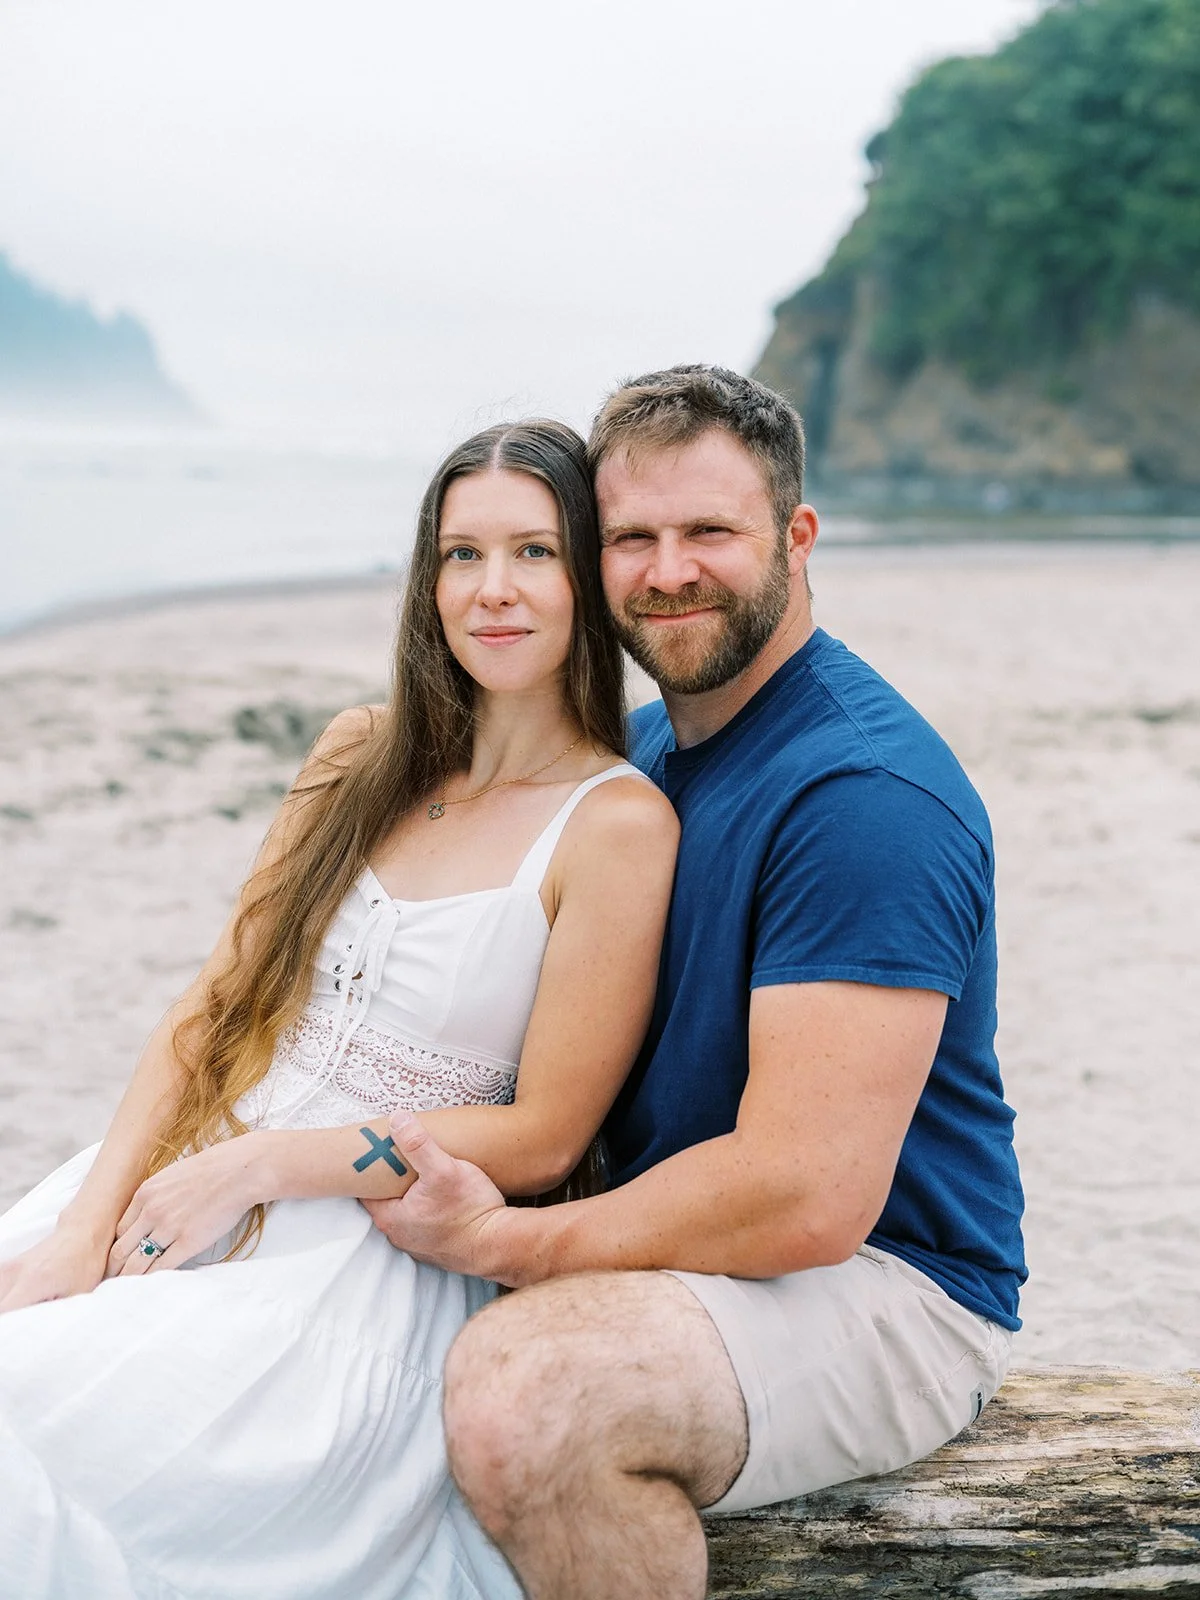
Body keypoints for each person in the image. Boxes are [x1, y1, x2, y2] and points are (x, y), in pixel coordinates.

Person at [366, 365, 1028, 1600]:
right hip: (693, 1239)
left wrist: (519, 1243)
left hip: (887, 1282)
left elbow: (806, 1193)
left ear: (796, 535)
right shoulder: (650, 749)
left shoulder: (862, 796)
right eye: (632, 537)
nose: (669, 569)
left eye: (711, 531)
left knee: (533, 1398)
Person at [0, 420, 678, 1599]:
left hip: (359, 1254)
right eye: (462, 556)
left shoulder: (617, 825)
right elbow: (214, 1005)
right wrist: (81, 1226)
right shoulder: (359, 752)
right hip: (177, 1172)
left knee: (54, 1426)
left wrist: (265, 1167)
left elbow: (545, 1136)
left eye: (534, 552)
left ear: (587, 578)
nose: (494, 591)